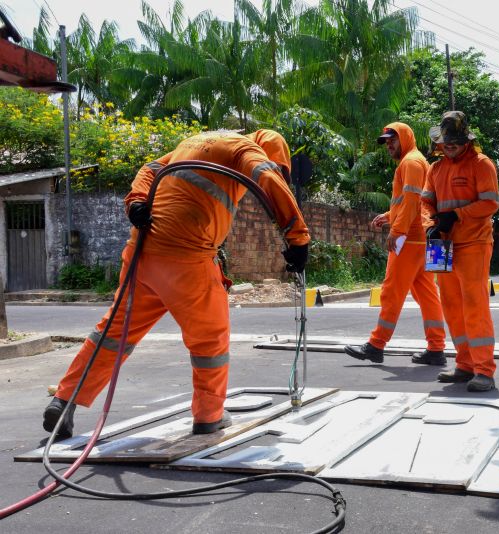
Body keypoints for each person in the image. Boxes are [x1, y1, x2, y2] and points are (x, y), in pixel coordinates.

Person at [42, 130, 310, 438]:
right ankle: (209, 416)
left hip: (143, 253)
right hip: (187, 257)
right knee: (210, 341)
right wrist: (297, 237)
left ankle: (65, 401)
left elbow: (149, 170)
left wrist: (136, 203)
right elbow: (268, 178)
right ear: (267, 149)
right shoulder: (245, 149)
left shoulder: (195, 143)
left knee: (114, 333)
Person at [344, 123, 447, 365]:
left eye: (392, 139)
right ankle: (436, 349)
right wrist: (390, 215)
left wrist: (397, 229)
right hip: (427, 237)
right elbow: (416, 202)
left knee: (391, 291)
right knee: (427, 294)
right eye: (386, 141)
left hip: (410, 238)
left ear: (406, 138)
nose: (388, 144)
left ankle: (376, 345)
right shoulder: (418, 160)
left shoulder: (410, 162)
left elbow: (411, 200)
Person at [422, 111, 499, 392]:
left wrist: (456, 215)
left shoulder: (481, 164)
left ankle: (484, 370)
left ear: (465, 141)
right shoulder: (436, 169)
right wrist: (431, 223)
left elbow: (490, 204)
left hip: (473, 244)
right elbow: (426, 203)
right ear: (439, 143)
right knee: (452, 307)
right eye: (446, 143)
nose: (449, 146)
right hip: (442, 245)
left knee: (474, 306)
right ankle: (465, 365)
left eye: (454, 142)